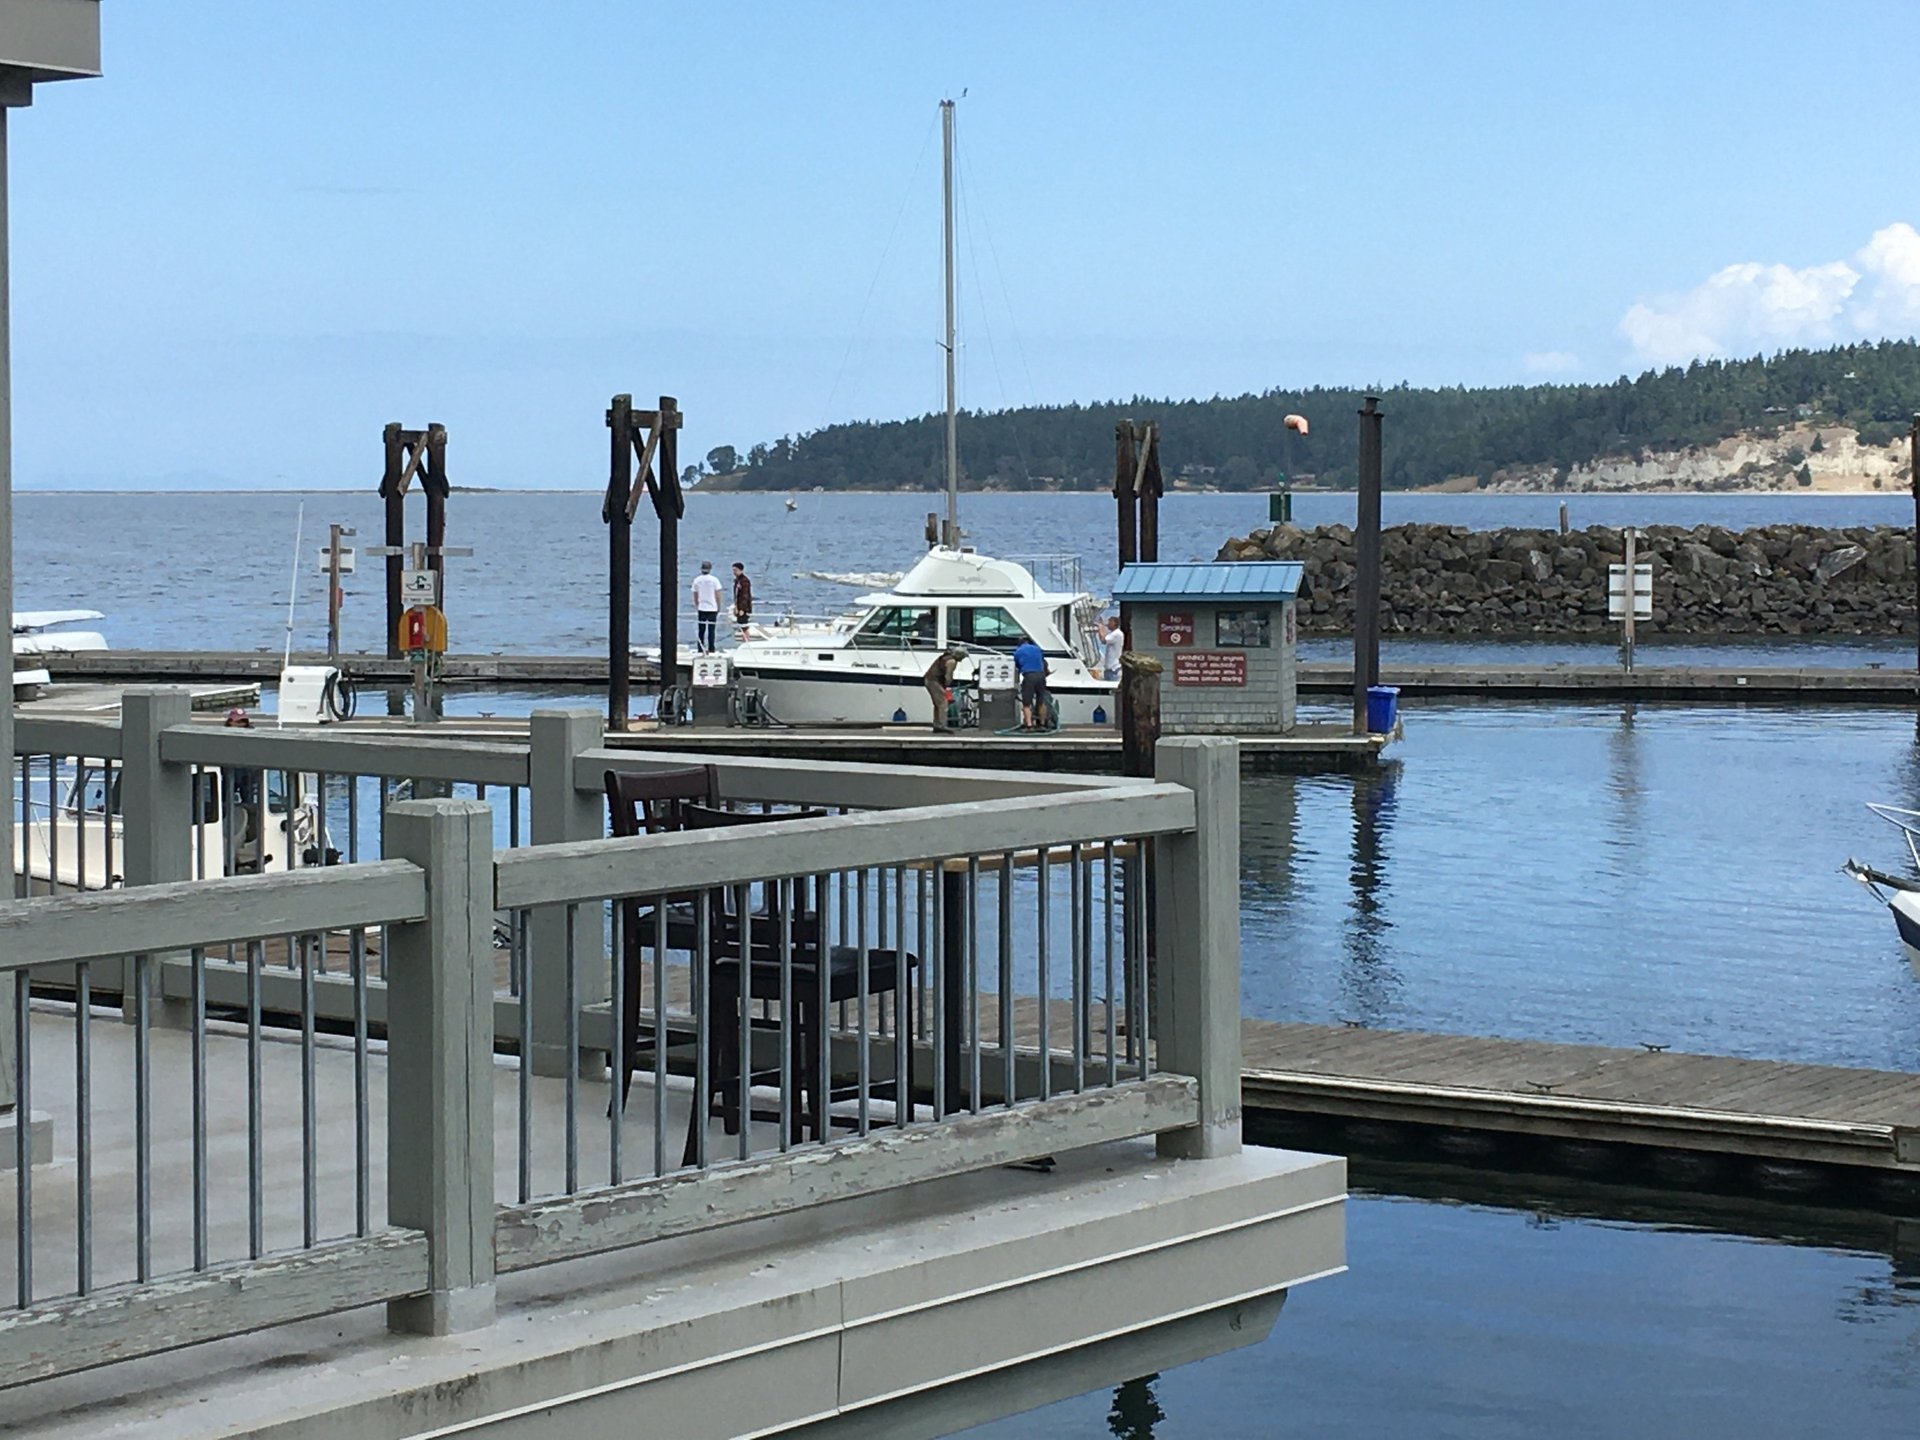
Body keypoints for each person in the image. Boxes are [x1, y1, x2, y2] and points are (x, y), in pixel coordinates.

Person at [922, 646, 966, 731]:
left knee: (937, 704)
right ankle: (942, 725)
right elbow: (948, 676)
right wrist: (947, 685)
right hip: (934, 681)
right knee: (943, 702)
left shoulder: (945, 657)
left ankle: (937, 724)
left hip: (929, 679)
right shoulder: (952, 661)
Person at [1012, 635, 1049, 730]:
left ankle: (1029, 725)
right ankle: (1042, 724)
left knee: (1026, 703)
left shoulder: (1017, 652)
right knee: (1041, 702)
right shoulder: (1037, 649)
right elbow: (1044, 662)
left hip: (1029, 676)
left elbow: (1017, 666)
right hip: (1041, 676)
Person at [691, 560, 724, 653]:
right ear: (710, 569)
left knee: (701, 630)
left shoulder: (697, 580)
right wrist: (718, 606)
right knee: (711, 630)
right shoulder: (714, 580)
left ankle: (700, 648)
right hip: (712, 607)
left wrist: (697, 604)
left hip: (702, 607)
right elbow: (718, 594)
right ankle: (711, 648)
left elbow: (695, 594)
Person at [1100, 614, 1125, 680]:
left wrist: (1100, 627)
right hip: (1109, 669)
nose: (1108, 624)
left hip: (1114, 669)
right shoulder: (1113, 634)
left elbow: (1103, 640)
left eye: (1110, 622)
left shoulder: (1116, 633)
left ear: (1114, 623)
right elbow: (1105, 637)